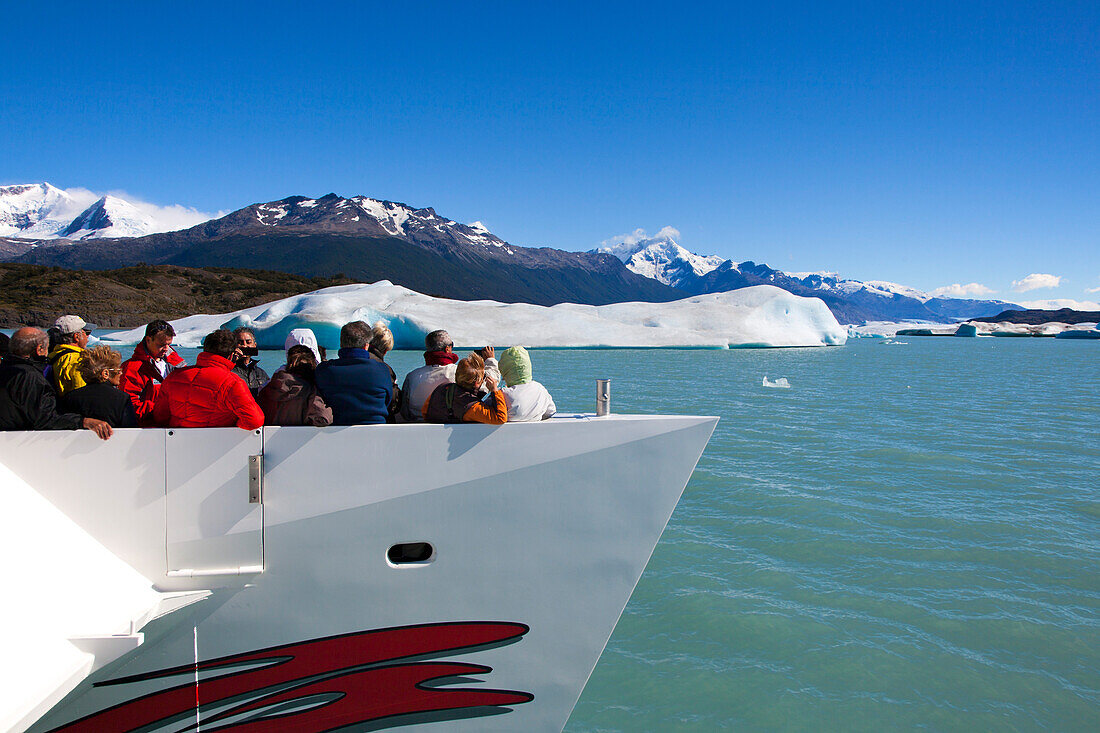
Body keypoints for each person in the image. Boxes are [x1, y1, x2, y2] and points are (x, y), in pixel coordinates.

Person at [0, 327, 112, 439]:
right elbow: (45, 418)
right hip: (20, 441)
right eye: (46, 349)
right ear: (39, 349)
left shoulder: (5, 369)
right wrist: (83, 421)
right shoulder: (30, 377)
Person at [152, 329, 264, 430]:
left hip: (178, 443)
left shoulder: (174, 377)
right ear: (231, 355)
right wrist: (233, 426)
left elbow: (160, 416)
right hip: (218, 445)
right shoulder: (232, 382)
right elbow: (254, 420)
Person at [397, 330, 499, 422]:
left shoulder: (412, 376)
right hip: (449, 426)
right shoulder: (457, 373)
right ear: (447, 349)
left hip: (416, 425)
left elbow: (404, 409)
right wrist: (490, 360)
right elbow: (489, 383)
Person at [313, 321, 393, 425]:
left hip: (335, 434)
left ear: (341, 344)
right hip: (375, 433)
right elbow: (388, 400)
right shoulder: (382, 370)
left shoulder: (324, 370)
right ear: (366, 346)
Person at [121, 319, 185, 424]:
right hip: (147, 428)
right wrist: (161, 410)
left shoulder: (177, 364)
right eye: (161, 345)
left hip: (173, 426)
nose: (166, 349)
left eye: (168, 344)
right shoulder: (132, 368)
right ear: (148, 340)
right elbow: (129, 404)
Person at [59, 345, 138, 428]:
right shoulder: (122, 398)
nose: (121, 373)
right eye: (118, 370)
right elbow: (130, 429)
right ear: (105, 373)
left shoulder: (70, 397)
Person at [257, 345, 333, 426]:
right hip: (298, 436)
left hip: (267, 435)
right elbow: (323, 418)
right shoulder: (309, 389)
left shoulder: (270, 387)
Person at [423, 352, 508, 425]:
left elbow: (425, 411)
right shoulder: (472, 407)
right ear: (477, 383)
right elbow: (500, 418)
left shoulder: (443, 387)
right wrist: (495, 390)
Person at [497, 346, 557, 422]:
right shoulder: (540, 388)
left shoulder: (501, 394)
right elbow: (551, 411)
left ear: (504, 370)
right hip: (536, 432)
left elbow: (481, 412)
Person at [47, 315, 95, 396]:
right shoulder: (76, 360)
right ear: (76, 336)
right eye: (86, 333)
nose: (88, 337)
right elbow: (81, 392)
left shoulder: (53, 355)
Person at [368, 321, 401, 421]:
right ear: (386, 350)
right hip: (378, 421)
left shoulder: (354, 362)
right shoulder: (385, 369)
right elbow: (394, 402)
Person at [231, 327, 270, 395]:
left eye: (248, 342)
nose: (245, 345)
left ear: (254, 345)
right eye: (240, 343)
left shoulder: (261, 373)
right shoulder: (228, 371)